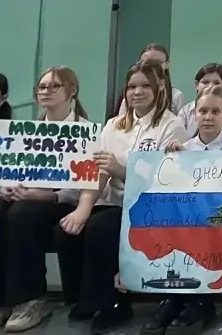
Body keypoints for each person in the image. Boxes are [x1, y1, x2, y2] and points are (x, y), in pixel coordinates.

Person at [57, 61, 184, 334]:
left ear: (159, 88)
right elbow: (99, 172)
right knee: (68, 228)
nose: (137, 92)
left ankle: (115, 305)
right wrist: (82, 209)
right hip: (113, 202)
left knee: (101, 228)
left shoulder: (172, 126)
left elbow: (165, 180)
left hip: (150, 206)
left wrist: (122, 171)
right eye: (131, 86)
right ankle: (84, 299)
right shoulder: (113, 126)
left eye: (145, 86)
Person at [0, 68, 89, 333]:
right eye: (41, 87)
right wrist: (10, 188)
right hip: (29, 197)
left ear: (71, 91)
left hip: (63, 202)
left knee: (23, 213)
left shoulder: (85, 131)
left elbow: (85, 187)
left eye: (53, 86)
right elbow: (16, 171)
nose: (46, 91)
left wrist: (47, 195)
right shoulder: (27, 131)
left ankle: (29, 300)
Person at [149, 89, 222, 333]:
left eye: (215, 111)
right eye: (203, 111)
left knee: (200, 227)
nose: (208, 117)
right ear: (194, 114)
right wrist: (174, 161)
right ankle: (174, 298)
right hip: (191, 214)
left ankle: (201, 301)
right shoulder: (184, 148)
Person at [114, 45, 184, 115]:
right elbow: (121, 119)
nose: (138, 92)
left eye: (158, 63)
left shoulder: (176, 96)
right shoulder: (130, 94)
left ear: (167, 64)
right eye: (146, 62)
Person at [176, 63, 222, 136]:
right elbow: (179, 137)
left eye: (216, 83)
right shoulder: (185, 111)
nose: (210, 86)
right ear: (197, 85)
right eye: (205, 82)